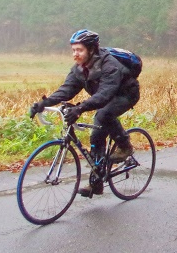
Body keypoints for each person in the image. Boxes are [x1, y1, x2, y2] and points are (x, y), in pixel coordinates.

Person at [29, 29, 140, 197]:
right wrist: (43, 103)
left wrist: (80, 108)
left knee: (103, 115)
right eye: (73, 50)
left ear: (91, 49)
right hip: (105, 96)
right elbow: (66, 90)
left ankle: (125, 146)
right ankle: (97, 182)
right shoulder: (79, 69)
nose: (75, 54)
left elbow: (104, 95)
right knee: (96, 135)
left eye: (79, 50)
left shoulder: (110, 66)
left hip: (125, 95)